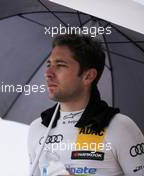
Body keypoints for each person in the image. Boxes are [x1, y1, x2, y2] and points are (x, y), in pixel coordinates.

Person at [28, 34, 144, 176]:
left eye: (60, 65)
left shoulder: (120, 127)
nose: (48, 73)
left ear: (88, 76)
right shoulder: (39, 127)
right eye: (49, 65)